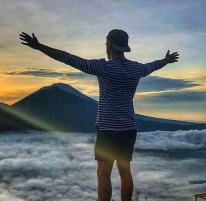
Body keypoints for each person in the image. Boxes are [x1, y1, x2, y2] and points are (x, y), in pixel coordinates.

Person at [19, 30, 179, 201]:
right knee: (125, 172)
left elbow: (67, 58)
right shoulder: (136, 68)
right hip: (128, 128)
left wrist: (38, 46)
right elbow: (151, 66)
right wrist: (166, 60)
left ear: (109, 45)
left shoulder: (103, 67)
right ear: (124, 47)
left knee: (103, 173)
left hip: (108, 130)